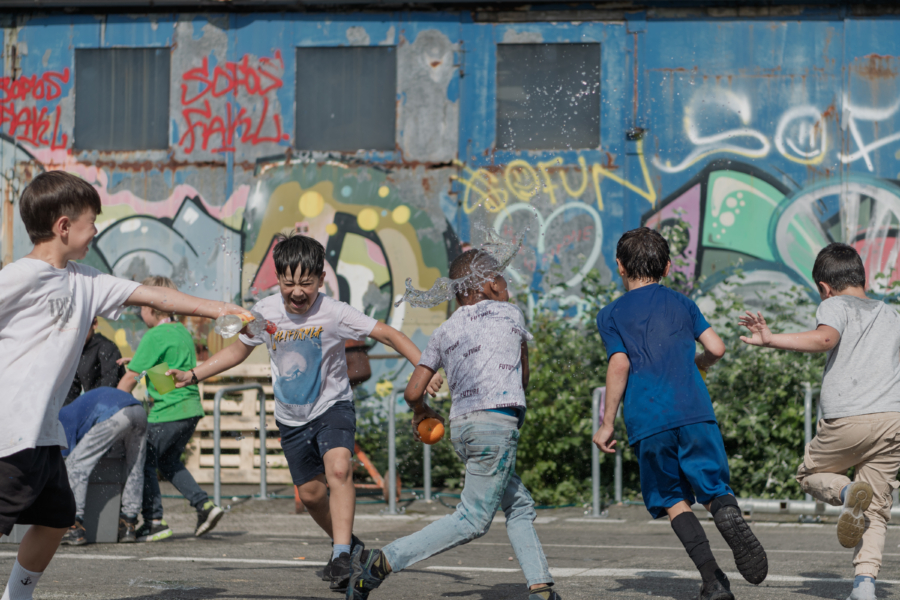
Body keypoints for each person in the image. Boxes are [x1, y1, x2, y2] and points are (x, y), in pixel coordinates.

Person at [0, 170, 248, 600]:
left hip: (43, 433)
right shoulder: (18, 277)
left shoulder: (87, 281)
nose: (96, 229)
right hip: (10, 431)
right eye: (91, 221)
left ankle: (16, 597)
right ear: (63, 226)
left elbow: (156, 298)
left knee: (58, 515)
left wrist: (219, 308)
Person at [167, 234, 442, 592]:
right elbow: (238, 351)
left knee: (340, 467)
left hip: (332, 406)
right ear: (278, 279)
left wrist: (425, 368)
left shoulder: (334, 312)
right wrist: (193, 375)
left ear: (320, 280)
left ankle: (341, 554)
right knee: (312, 495)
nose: (297, 292)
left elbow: (388, 334)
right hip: (291, 417)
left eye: (306, 284)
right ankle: (352, 544)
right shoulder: (264, 313)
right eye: (288, 283)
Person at [344, 248, 559, 600]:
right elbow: (524, 376)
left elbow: (413, 392)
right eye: (503, 281)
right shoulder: (510, 313)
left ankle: (541, 587)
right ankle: (383, 562)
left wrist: (423, 413)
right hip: (497, 427)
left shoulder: (445, 329)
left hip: (462, 429)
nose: (507, 287)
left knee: (519, 504)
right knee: (472, 519)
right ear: (490, 285)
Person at [593, 227, 768, 600]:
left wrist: (607, 422)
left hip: (648, 421)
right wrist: (699, 362)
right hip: (694, 412)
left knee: (672, 498)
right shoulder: (682, 303)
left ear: (620, 267)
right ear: (668, 267)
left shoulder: (610, 314)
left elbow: (620, 363)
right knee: (714, 487)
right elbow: (717, 348)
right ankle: (727, 514)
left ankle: (713, 580)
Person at [739, 242, 900, 600]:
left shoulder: (834, 304)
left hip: (848, 420)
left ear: (824, 287)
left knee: (809, 475)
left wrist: (770, 339)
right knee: (875, 506)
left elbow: (825, 338)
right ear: (863, 277)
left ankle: (846, 493)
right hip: (893, 421)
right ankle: (864, 586)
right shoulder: (891, 314)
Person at [117, 275, 222, 542]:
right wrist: (144, 364)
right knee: (168, 462)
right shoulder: (180, 332)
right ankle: (204, 506)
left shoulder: (154, 335)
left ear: (151, 307)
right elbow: (169, 377)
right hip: (189, 410)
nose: (140, 312)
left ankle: (154, 521)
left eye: (141, 306)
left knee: (143, 463)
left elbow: (129, 379)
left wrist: (111, 408)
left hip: (169, 412)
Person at [58, 387, 147, 546]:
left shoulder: (61, 418)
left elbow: (64, 458)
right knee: (134, 467)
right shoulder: (75, 408)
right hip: (139, 410)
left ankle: (73, 526)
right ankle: (128, 524)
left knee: (75, 465)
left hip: (115, 414)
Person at [64, 317, 125, 405]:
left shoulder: (106, 347)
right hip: (96, 407)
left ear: (94, 323)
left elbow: (110, 383)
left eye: (82, 327)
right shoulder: (80, 351)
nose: (77, 332)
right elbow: (72, 389)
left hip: (113, 407)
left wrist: (91, 407)